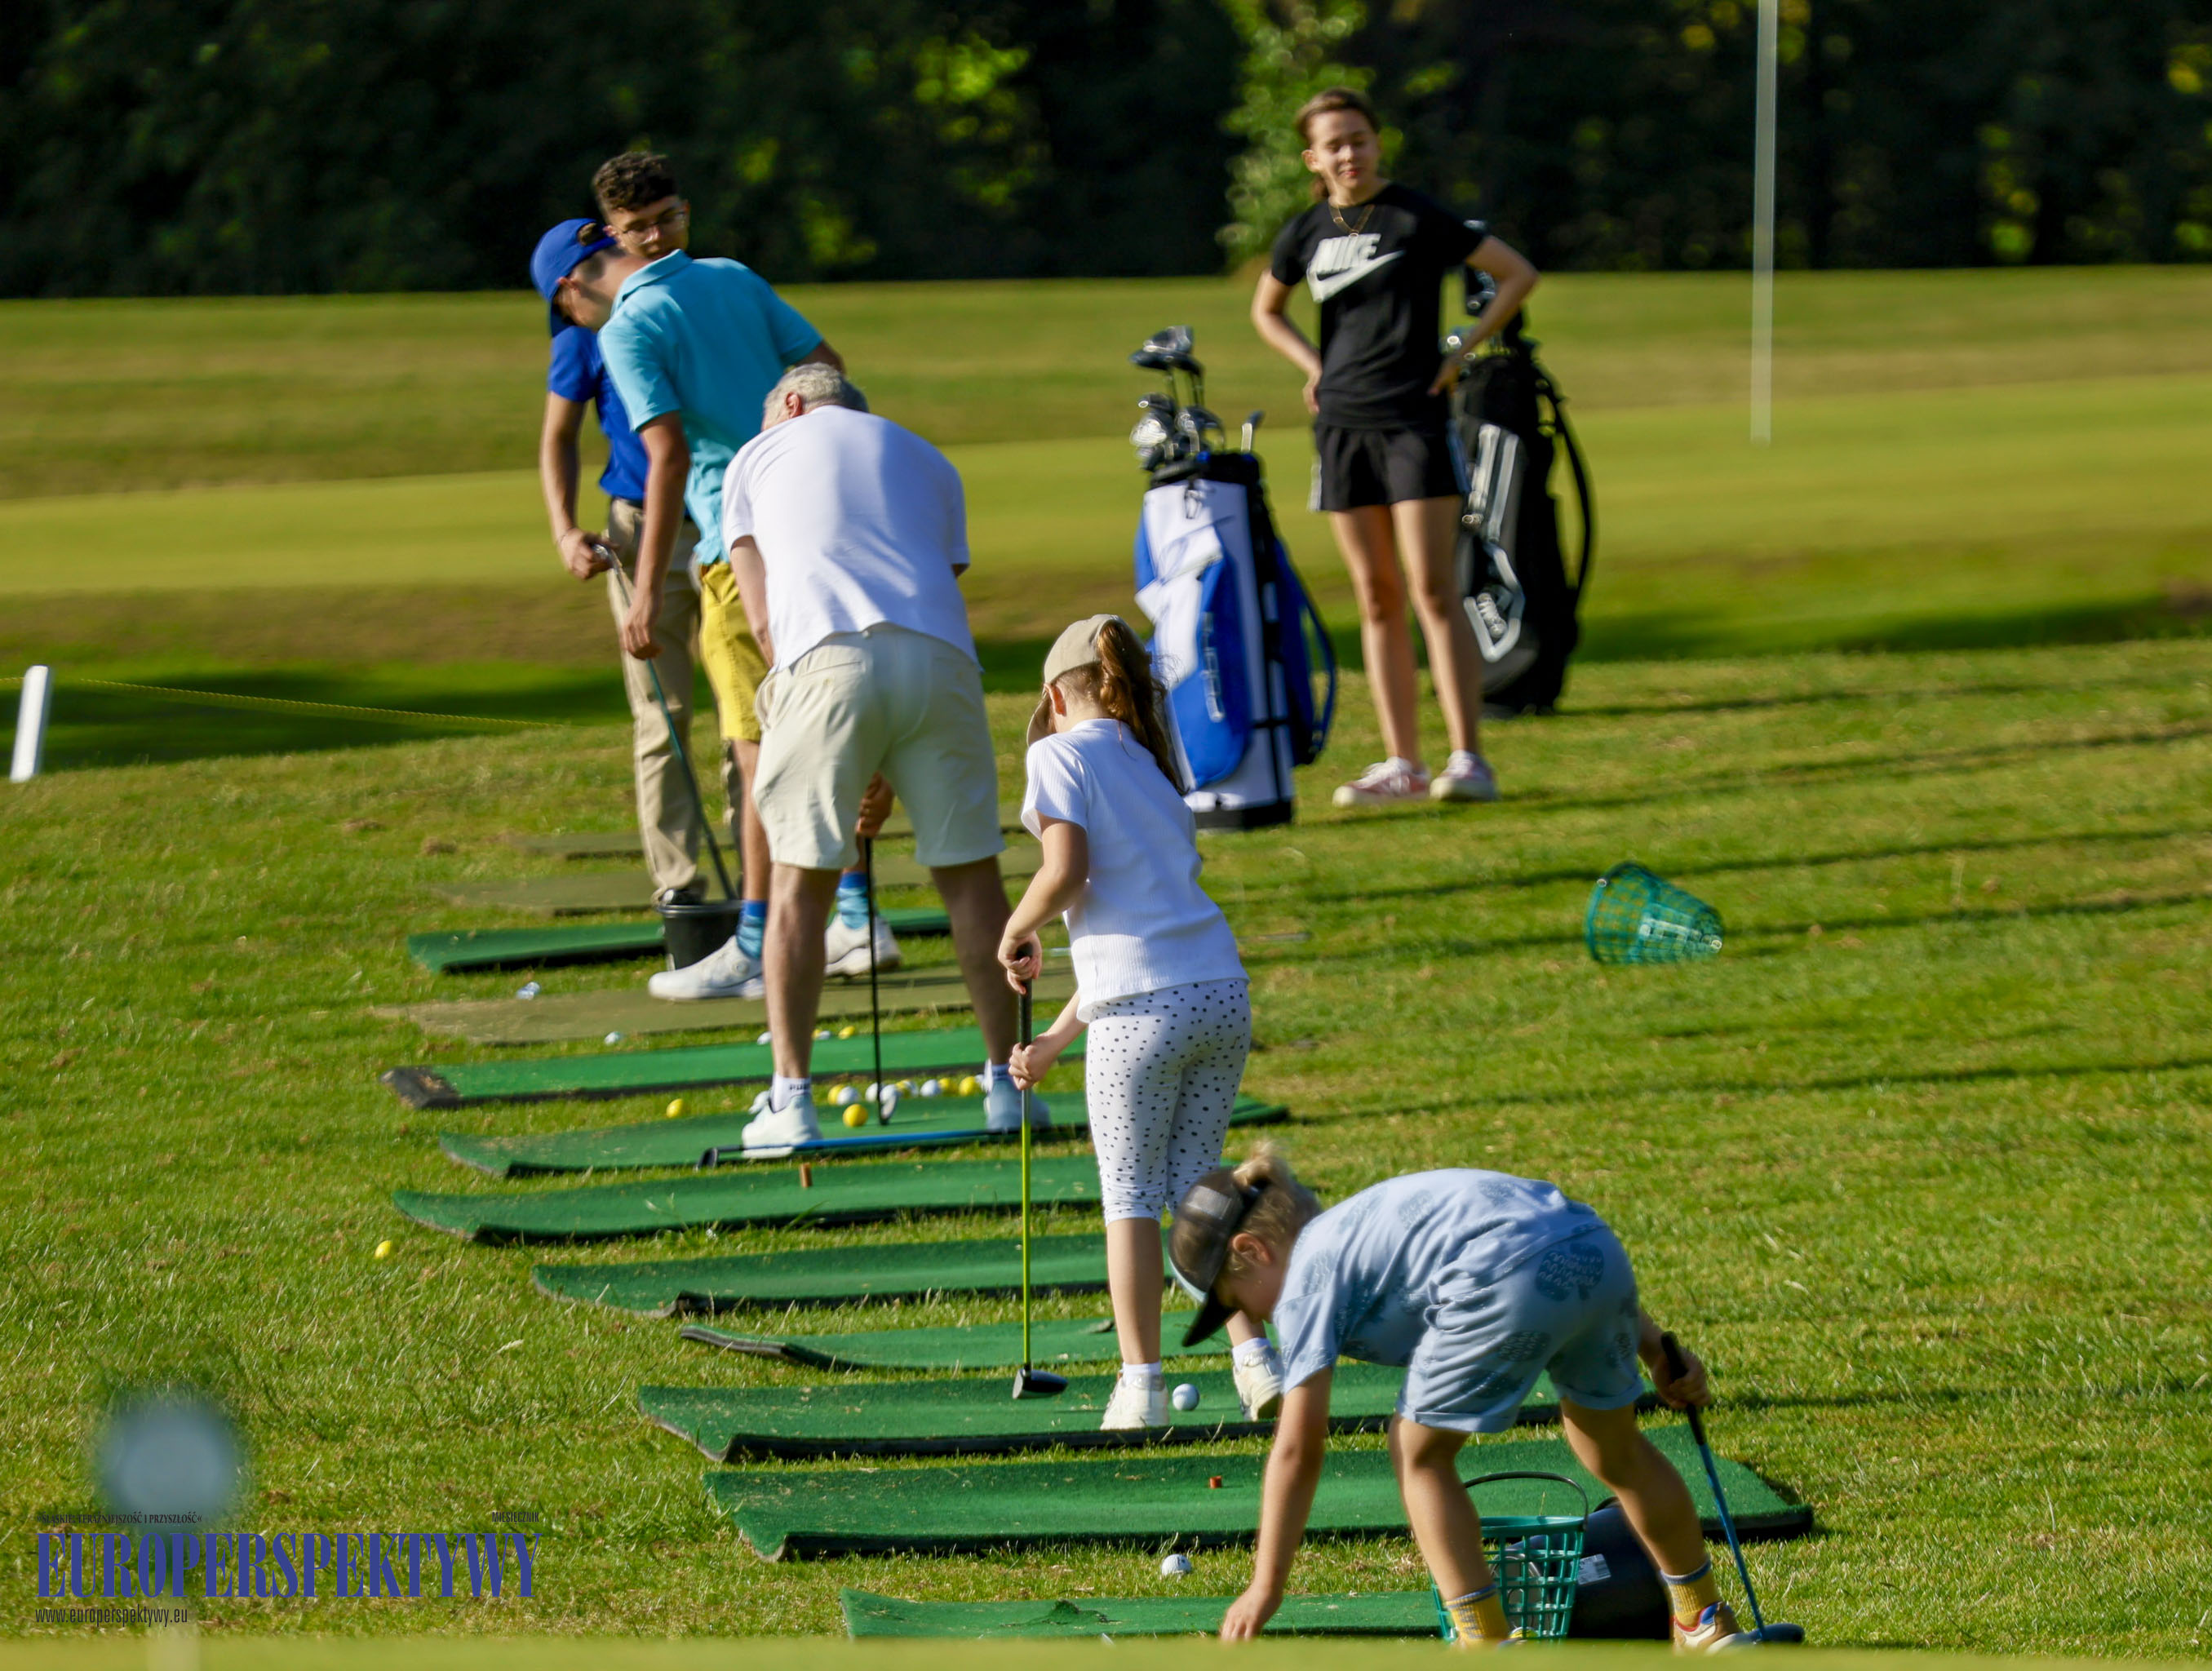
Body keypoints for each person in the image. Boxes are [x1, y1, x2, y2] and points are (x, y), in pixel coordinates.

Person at [1168, 1148, 1750, 1651]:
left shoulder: (1307, 1277)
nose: (1256, 1321)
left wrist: (1266, 1585)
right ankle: (1703, 1621)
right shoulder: (1361, 1221)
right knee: (1612, 1446)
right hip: (1593, 1248)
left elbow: (1299, 1448)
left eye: (1238, 1303)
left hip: (1499, 1276)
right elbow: (1551, 1241)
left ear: (1255, 1249)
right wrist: (1655, 1349)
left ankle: (1485, 1641)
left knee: (1417, 1452)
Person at [574, 152, 892, 995]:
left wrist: (643, 591)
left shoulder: (625, 327)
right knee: (825, 714)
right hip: (814, 525)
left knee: (757, 748)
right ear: (618, 231)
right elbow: (828, 367)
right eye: (644, 224)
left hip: (731, 543)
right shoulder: (736, 278)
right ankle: (856, 914)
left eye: (662, 218)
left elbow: (666, 454)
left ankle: (771, 938)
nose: (654, 233)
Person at [718, 362, 1041, 1145]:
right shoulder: (929, 457)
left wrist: (835, 739)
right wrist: (881, 758)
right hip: (943, 662)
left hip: (822, 659)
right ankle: (1012, 1090)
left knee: (800, 885)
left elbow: (764, 624)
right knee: (971, 879)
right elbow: (924, 592)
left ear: (789, 405)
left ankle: (791, 1103)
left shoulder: (756, 456)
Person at [999, 615, 1287, 1431]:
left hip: (1145, 1014)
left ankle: (1141, 1387)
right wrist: (1055, 1039)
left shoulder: (1056, 754)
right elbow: (1131, 949)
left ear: (1057, 696)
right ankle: (1255, 1361)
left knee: (1129, 1196)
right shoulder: (1155, 771)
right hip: (1217, 995)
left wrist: (1016, 924)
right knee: (1199, 1188)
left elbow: (1065, 872)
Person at [1252, 86, 1540, 810]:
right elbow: (1267, 309)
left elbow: (1516, 273)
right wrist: (1313, 369)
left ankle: (1467, 759)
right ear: (1312, 158)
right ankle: (1401, 763)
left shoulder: (1418, 215)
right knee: (1376, 599)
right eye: (1334, 144)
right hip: (1342, 427)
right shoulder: (1306, 230)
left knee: (1434, 590)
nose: (1349, 154)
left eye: (1360, 139)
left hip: (1414, 420)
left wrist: (1461, 353)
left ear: (1378, 144)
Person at [530, 218, 711, 907]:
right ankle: (680, 884)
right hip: (637, 529)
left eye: (558, 304)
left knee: (747, 711)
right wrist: (563, 531)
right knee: (662, 714)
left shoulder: (681, 301)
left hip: (724, 519)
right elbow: (558, 437)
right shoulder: (580, 339)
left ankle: (764, 878)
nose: (563, 318)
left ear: (570, 284)